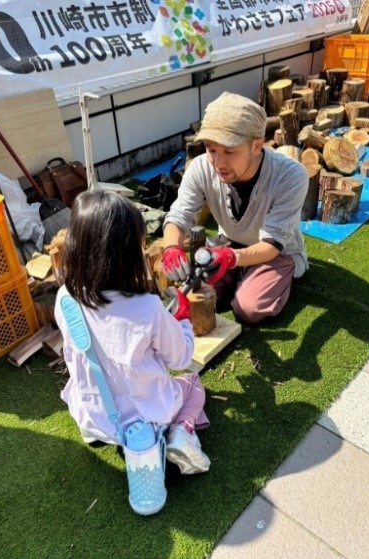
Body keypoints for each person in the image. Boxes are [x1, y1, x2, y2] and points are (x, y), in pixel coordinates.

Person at [54, 191, 210, 475]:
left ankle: (95, 433)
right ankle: (181, 432)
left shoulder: (65, 297)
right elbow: (181, 358)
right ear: (126, 256)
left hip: (92, 413)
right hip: (144, 420)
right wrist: (183, 318)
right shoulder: (148, 308)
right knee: (193, 384)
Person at [162, 91, 309, 324]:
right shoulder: (200, 168)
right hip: (228, 244)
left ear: (256, 146)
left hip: (276, 252)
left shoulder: (290, 176)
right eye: (211, 149)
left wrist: (231, 258)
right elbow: (179, 216)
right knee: (197, 294)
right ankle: (239, 277)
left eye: (229, 151)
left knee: (249, 308)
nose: (218, 163)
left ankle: (268, 277)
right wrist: (171, 248)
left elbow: (272, 245)